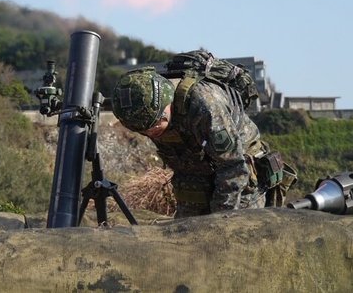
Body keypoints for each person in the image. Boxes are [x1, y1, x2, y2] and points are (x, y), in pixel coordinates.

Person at [111, 66, 290, 218]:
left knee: (235, 242)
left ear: (169, 103)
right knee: (187, 244)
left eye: (157, 123)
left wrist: (218, 222)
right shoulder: (139, 115)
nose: (152, 132)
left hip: (241, 177)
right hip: (197, 176)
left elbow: (234, 169)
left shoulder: (204, 104)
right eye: (145, 130)